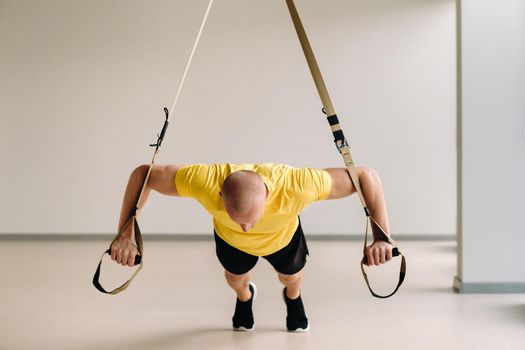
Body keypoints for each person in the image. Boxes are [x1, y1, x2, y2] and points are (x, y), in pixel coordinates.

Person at [110, 163, 394, 332]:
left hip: (283, 239)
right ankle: (245, 298)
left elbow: (366, 176)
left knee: (291, 278)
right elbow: (144, 174)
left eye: (252, 219)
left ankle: (292, 298)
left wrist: (382, 236)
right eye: (240, 219)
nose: (248, 227)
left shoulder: (296, 185)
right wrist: (125, 233)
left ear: (269, 195)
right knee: (236, 280)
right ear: (219, 194)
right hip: (232, 243)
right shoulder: (205, 181)